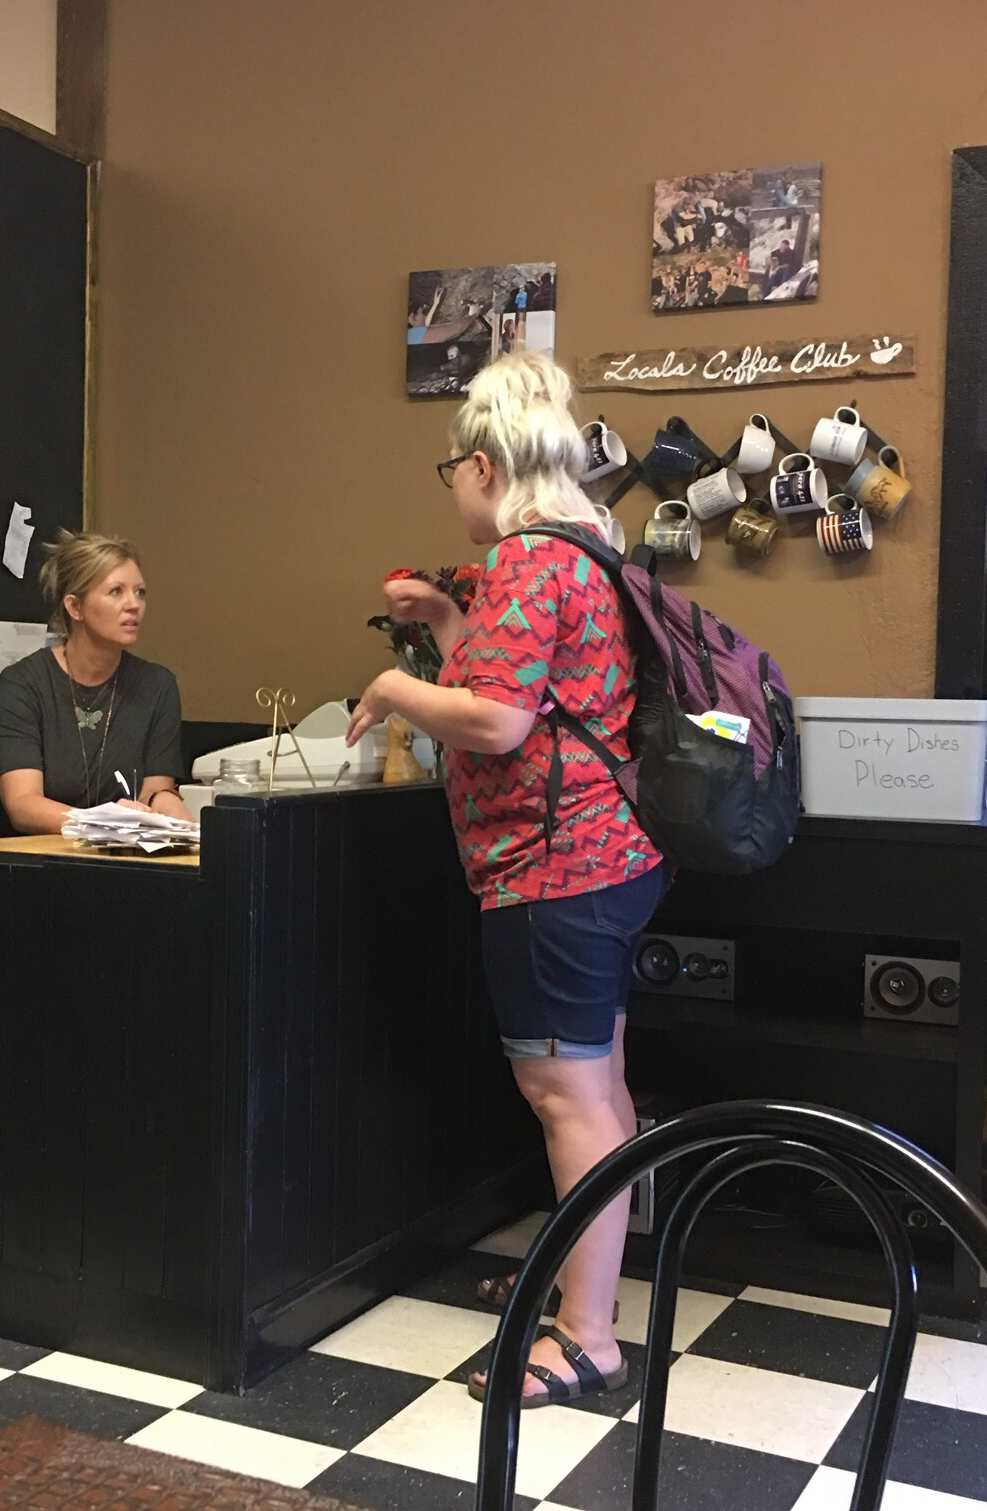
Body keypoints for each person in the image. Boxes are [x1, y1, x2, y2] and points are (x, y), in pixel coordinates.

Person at [347, 349, 665, 1408]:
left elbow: (495, 720)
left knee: (566, 1097)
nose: (454, 486)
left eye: (453, 469)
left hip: (550, 868)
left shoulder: (530, 556)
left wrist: (394, 683)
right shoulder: (590, 545)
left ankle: (585, 1339)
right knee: (597, 1089)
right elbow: (526, 689)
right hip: (607, 858)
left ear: (482, 465)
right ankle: (584, 1293)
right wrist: (445, 625)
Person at [0, 531, 186, 835]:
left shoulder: (157, 685)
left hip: (111, 851)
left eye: (140, 592)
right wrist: (103, 822)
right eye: (116, 592)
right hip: (21, 852)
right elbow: (23, 806)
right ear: (75, 607)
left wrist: (166, 805)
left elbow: (152, 792)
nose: (134, 605)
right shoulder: (22, 685)